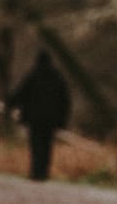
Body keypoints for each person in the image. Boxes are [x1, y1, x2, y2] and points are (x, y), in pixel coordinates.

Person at [7, 49, 71, 181]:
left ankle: (35, 172)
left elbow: (21, 93)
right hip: (52, 120)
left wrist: (9, 104)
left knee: (36, 145)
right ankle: (44, 172)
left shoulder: (33, 76)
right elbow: (65, 100)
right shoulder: (57, 77)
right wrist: (63, 119)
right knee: (47, 146)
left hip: (34, 119)